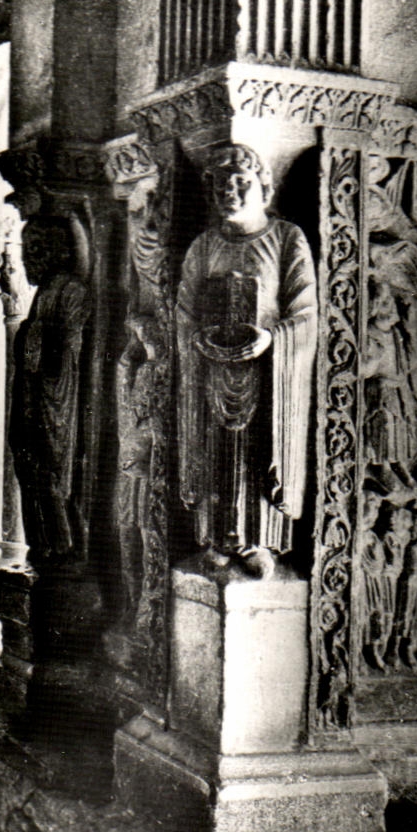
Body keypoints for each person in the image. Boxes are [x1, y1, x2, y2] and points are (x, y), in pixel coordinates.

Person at [174, 143, 317, 578]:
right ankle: (218, 539)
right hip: (214, 371)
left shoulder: (287, 238)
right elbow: (183, 311)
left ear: (264, 189)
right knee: (217, 453)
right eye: (221, 185)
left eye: (242, 184)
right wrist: (198, 340)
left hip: (267, 374)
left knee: (257, 455)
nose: (230, 193)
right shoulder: (203, 246)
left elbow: (307, 313)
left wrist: (270, 339)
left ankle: (258, 542)